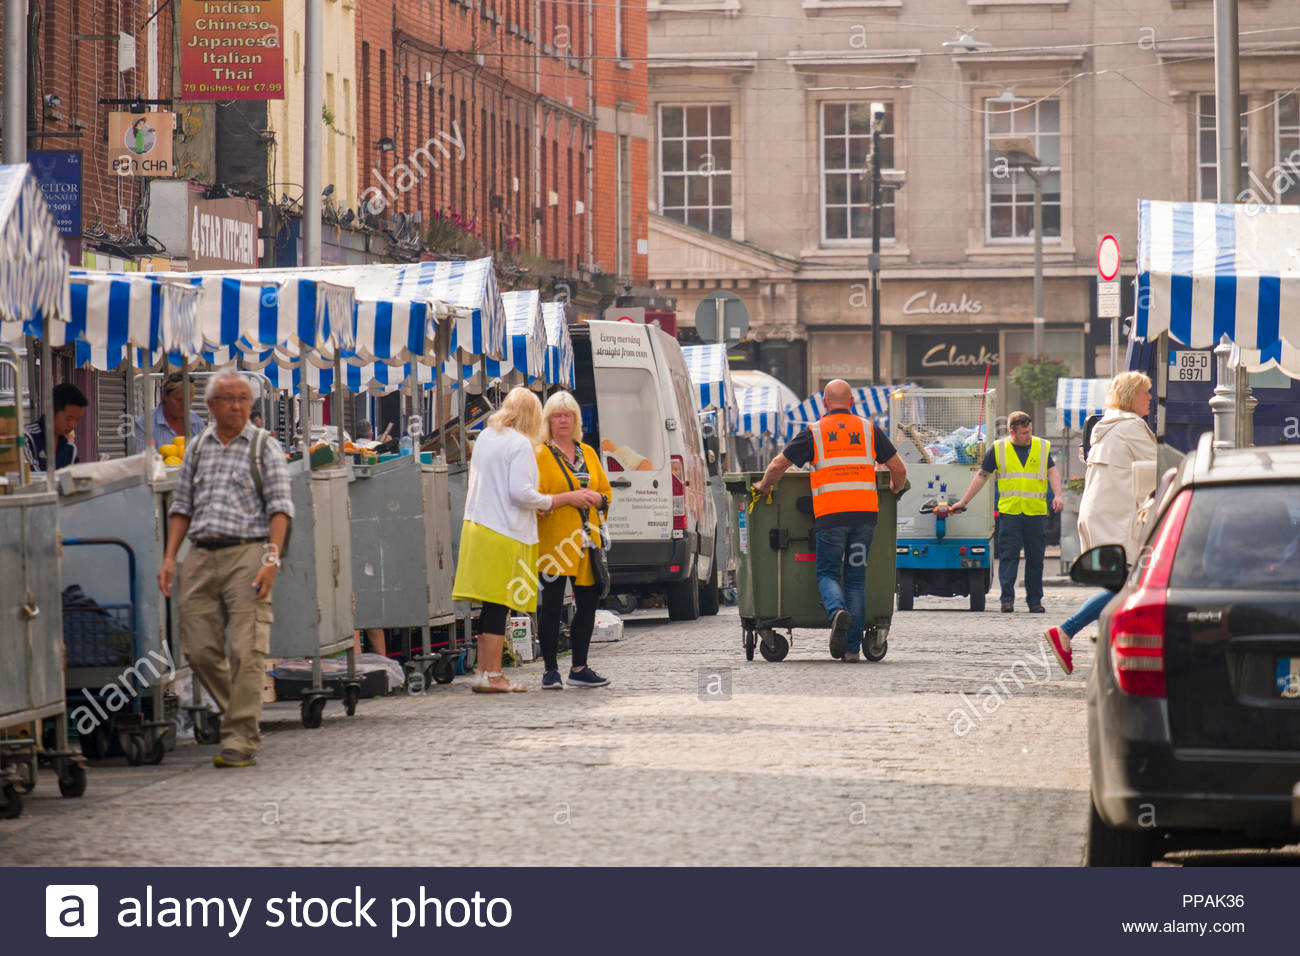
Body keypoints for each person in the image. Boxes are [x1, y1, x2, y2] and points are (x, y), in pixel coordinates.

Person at [157, 372, 292, 768]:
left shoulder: (264, 448)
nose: (236, 405)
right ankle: (239, 715)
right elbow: (181, 507)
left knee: (246, 648)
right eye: (227, 398)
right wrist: (169, 557)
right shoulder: (198, 448)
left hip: (248, 554)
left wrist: (271, 559)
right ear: (211, 406)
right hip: (200, 554)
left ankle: (239, 739)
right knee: (197, 648)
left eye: (242, 398)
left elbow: (281, 509)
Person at [451, 387, 602, 693]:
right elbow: (520, 493)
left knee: (489, 606)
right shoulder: (520, 444)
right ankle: (493, 677)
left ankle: (483, 674)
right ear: (535, 415)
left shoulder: (485, 437)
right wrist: (552, 502)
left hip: (476, 526)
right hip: (504, 531)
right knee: (499, 606)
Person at [753, 380, 907, 662]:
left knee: (827, 573)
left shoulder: (813, 432)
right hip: (865, 518)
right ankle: (851, 650)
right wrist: (896, 488)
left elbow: (777, 466)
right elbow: (899, 469)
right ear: (852, 403)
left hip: (831, 517)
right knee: (857, 581)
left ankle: (837, 612)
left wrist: (763, 486)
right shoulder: (869, 430)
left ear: (825, 403)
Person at [1044, 372, 1156, 674]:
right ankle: (1066, 632)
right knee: (1126, 587)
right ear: (1133, 395)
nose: (1150, 398)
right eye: (1146, 393)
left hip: (1100, 514)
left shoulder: (1104, 426)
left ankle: (1110, 652)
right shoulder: (1133, 427)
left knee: (1121, 586)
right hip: (1116, 516)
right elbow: (1157, 474)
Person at [536, 390, 614, 689]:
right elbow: (536, 498)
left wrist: (598, 498)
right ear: (548, 421)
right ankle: (550, 670)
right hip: (555, 542)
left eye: (568, 415)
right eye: (557, 415)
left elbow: (606, 493)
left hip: (588, 542)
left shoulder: (589, 453)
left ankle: (579, 667)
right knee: (552, 606)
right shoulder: (541, 455)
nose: (563, 420)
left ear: (577, 420)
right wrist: (568, 498)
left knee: (588, 604)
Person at [951, 410, 1064, 613]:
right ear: (1012, 431)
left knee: (1036, 559)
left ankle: (1035, 601)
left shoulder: (1041, 446)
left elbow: (1052, 471)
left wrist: (1058, 495)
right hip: (1010, 513)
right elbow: (981, 476)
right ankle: (1007, 600)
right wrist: (963, 501)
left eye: (1029, 431)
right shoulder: (998, 449)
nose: (1028, 436)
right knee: (1009, 557)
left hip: (1035, 513)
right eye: (1024, 433)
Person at [24, 382, 87, 472]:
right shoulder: (26, 437)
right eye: (68, 419)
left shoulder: (70, 449)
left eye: (78, 420)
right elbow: (33, 477)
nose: (73, 425)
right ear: (51, 411)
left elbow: (75, 479)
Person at [135, 371, 206, 450]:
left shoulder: (196, 423)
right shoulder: (145, 424)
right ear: (165, 395)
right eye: (178, 400)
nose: (184, 405)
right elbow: (141, 458)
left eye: (188, 401)